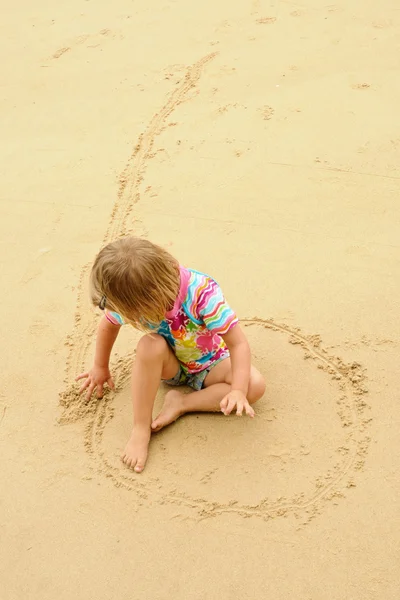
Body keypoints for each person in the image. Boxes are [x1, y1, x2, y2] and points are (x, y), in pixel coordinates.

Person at [77, 237, 265, 473]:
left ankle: (182, 403)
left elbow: (238, 345)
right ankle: (140, 428)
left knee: (254, 385)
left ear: (145, 301)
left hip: (211, 361)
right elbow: (108, 324)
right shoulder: (133, 294)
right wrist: (100, 367)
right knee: (149, 345)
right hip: (170, 365)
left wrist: (237, 390)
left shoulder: (202, 293)